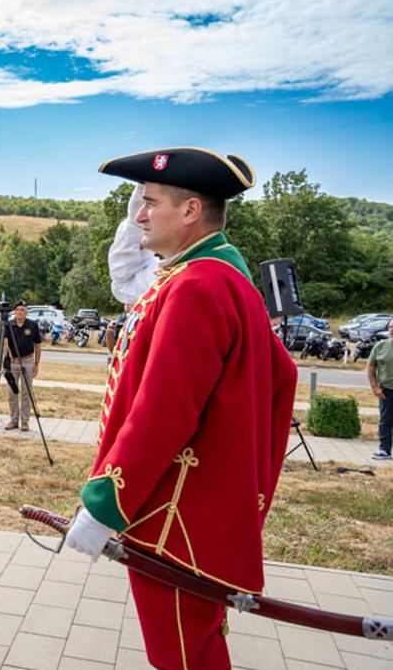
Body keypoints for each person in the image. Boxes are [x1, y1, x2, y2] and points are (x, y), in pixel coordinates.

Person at [63, 148, 297, 669]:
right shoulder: (220, 277)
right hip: (198, 505)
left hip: (174, 514)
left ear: (190, 211)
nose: (139, 215)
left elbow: (163, 410)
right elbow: (281, 376)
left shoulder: (196, 286)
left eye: (149, 203)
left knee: (183, 658)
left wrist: (105, 504)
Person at [4, 302, 41, 432]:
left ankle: (25, 421)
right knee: (12, 392)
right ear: (14, 311)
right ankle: (14, 420)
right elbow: (4, 343)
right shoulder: (8, 324)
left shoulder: (32, 325)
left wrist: (36, 364)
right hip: (13, 363)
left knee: (26, 393)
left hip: (28, 362)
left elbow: (37, 345)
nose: (20, 312)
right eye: (18, 309)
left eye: (23, 310)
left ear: (26, 312)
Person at [368, 317, 393, 459]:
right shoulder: (381, 346)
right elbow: (371, 368)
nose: (392, 328)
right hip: (386, 390)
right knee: (385, 421)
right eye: (390, 326)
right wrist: (375, 388)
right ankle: (384, 450)